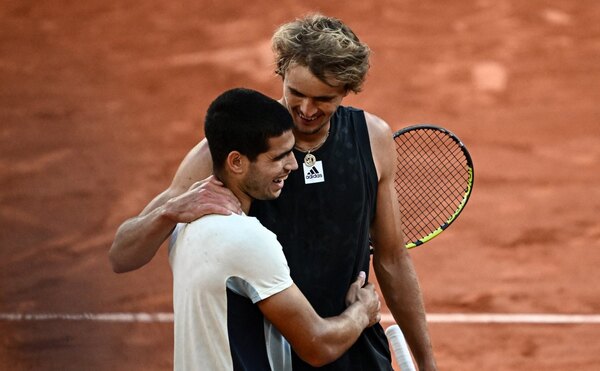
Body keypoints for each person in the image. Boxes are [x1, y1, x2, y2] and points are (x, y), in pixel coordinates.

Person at [109, 14, 437, 371]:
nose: (307, 110)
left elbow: (391, 259)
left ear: (347, 90)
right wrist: (168, 210)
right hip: (271, 355)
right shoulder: (230, 151)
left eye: (323, 98)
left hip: (352, 345)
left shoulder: (372, 140)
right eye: (296, 93)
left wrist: (427, 364)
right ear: (280, 74)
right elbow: (122, 256)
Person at [169, 87, 381, 370]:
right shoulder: (249, 240)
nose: (292, 165)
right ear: (236, 162)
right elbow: (317, 344)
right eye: (278, 157)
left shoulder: (182, 225)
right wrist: (361, 312)